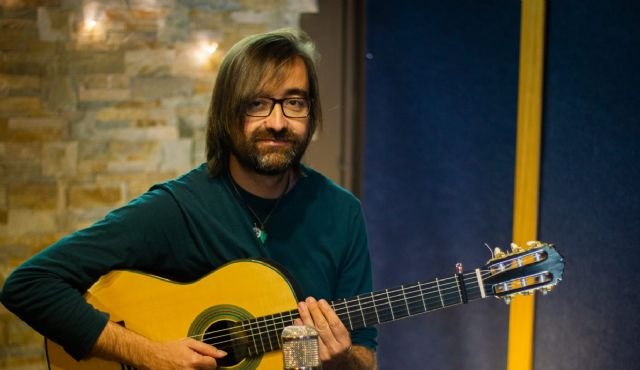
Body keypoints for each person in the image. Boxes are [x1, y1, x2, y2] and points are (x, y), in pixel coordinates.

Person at [0, 28, 377, 369]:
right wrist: (148, 354)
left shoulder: (342, 213)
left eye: (294, 103)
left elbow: (365, 356)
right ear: (228, 113)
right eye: (257, 104)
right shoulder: (179, 206)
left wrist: (339, 359)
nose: (278, 122)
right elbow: (30, 284)